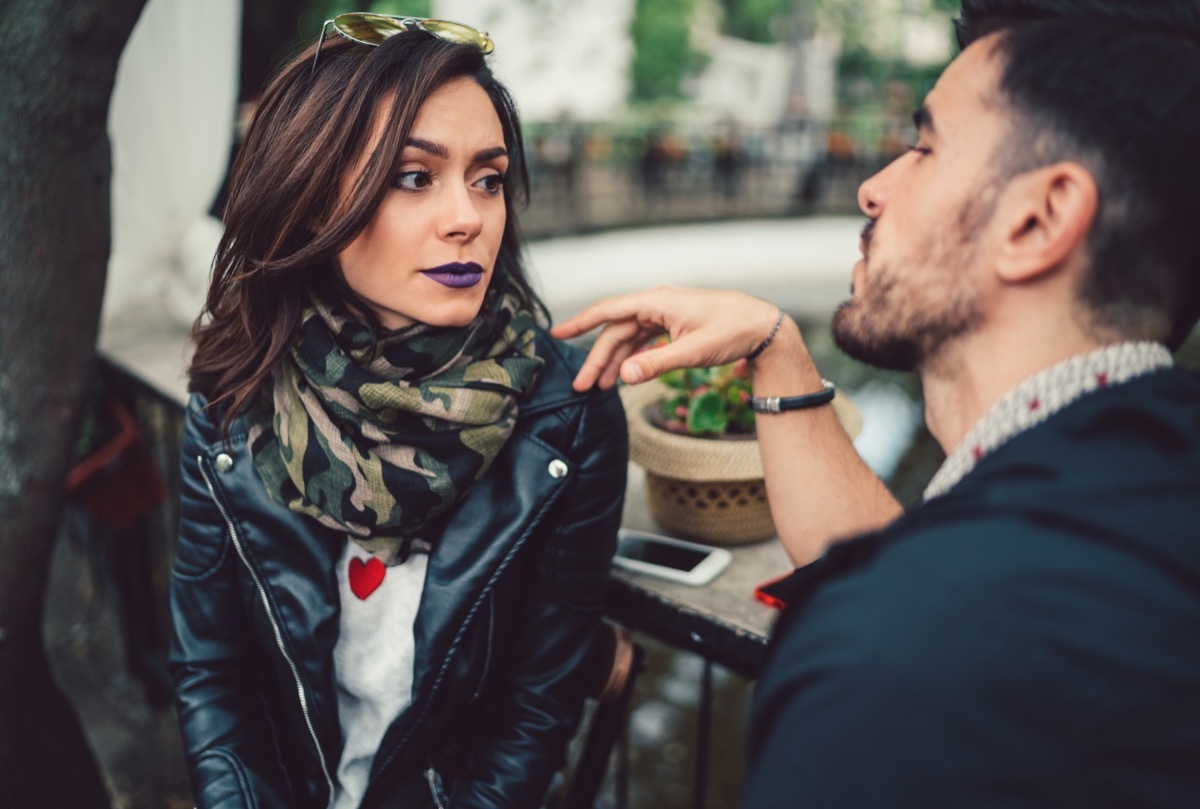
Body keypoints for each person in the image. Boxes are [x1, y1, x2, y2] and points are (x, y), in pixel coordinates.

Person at [553, 0, 1200, 804]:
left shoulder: (899, 665)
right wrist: (777, 348)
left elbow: (919, 614)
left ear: (1039, 219)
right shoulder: (1142, 481)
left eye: (924, 148)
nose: (871, 188)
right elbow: (921, 566)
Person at [169, 13, 627, 809]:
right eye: (415, 177)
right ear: (313, 199)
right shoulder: (234, 398)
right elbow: (215, 676)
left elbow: (535, 706)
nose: (469, 217)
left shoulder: (568, 416)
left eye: (486, 179)